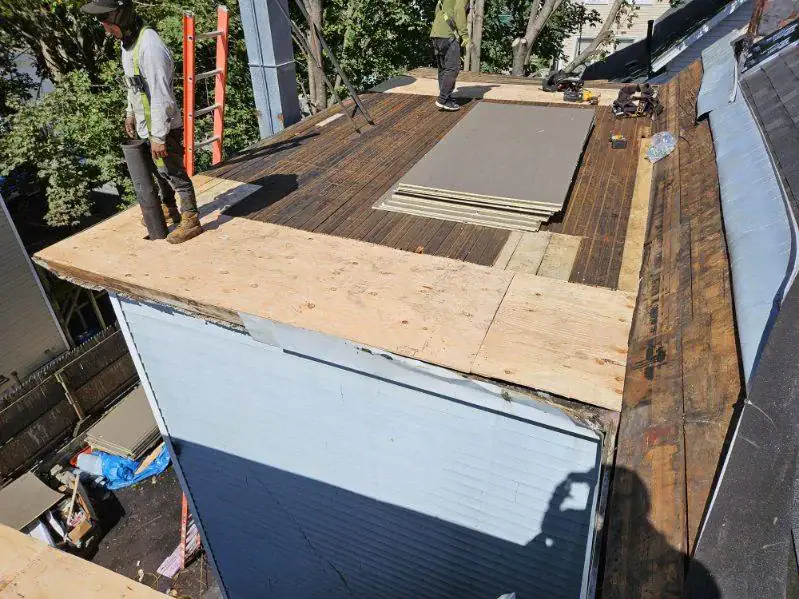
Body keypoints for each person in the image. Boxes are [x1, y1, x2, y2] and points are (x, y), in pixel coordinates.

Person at [80, 0, 203, 244]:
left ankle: (191, 218)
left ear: (121, 15)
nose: (104, 28)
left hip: (162, 126)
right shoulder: (128, 44)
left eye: (105, 20)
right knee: (158, 171)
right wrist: (130, 113)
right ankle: (170, 208)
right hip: (147, 125)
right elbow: (133, 85)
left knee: (173, 172)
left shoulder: (150, 46)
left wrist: (158, 136)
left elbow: (161, 95)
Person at [430, 0, 469, 112]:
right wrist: (464, 35)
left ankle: (446, 98)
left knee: (443, 68)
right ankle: (443, 99)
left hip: (436, 33)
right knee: (453, 68)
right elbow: (459, 10)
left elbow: (438, 8)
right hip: (448, 35)